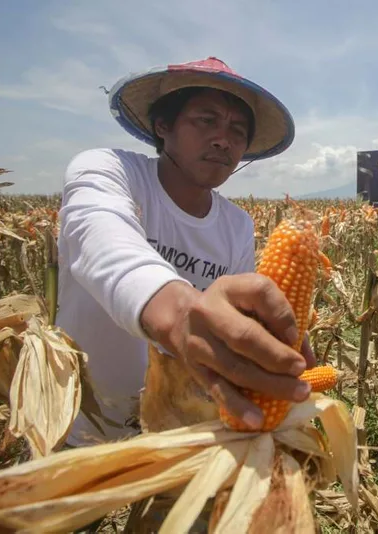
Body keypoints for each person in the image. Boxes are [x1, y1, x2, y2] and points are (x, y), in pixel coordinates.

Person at [56, 57, 315, 447]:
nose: (223, 140)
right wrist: (178, 315)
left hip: (182, 430)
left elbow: (238, 317)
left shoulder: (237, 225)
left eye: (237, 130)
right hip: (78, 422)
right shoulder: (109, 171)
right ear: (164, 126)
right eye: (206, 120)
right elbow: (102, 239)